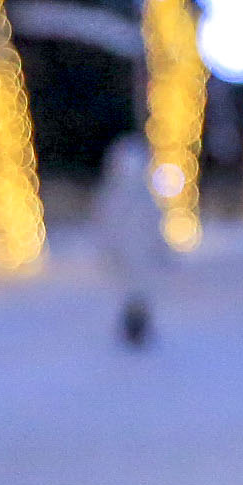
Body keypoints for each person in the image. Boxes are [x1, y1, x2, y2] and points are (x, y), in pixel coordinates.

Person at [92, 133, 166, 348]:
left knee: (138, 293)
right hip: (126, 257)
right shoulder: (116, 197)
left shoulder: (142, 196)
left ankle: (138, 328)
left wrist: (159, 248)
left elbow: (154, 225)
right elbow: (107, 227)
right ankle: (133, 328)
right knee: (130, 293)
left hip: (139, 258)